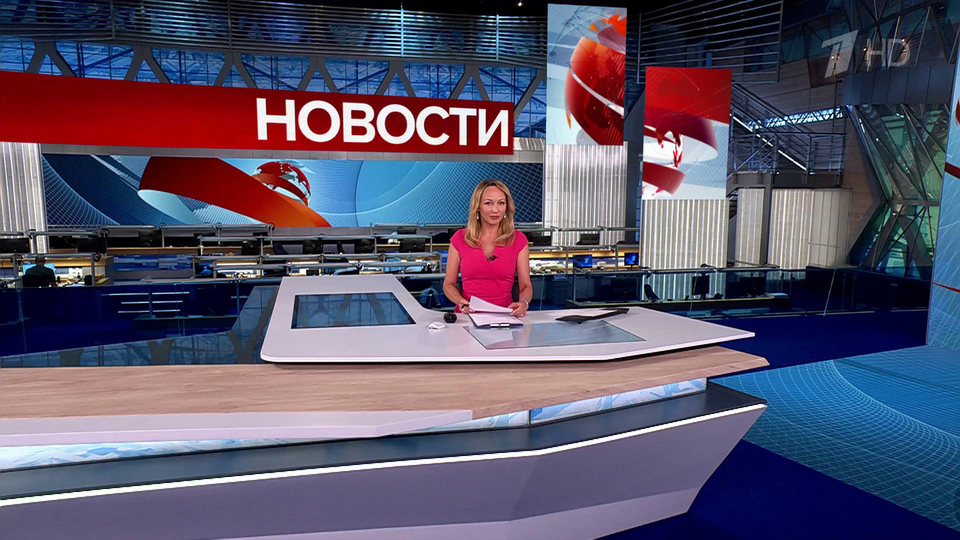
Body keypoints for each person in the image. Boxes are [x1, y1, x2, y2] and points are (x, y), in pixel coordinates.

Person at [443, 179, 532, 317]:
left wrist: (524, 303)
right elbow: (448, 284)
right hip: (467, 316)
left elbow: (526, 286)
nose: (495, 210)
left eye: (501, 203)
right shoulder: (459, 239)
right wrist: (461, 302)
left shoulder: (519, 240)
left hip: (505, 316)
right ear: (477, 206)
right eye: (488, 203)